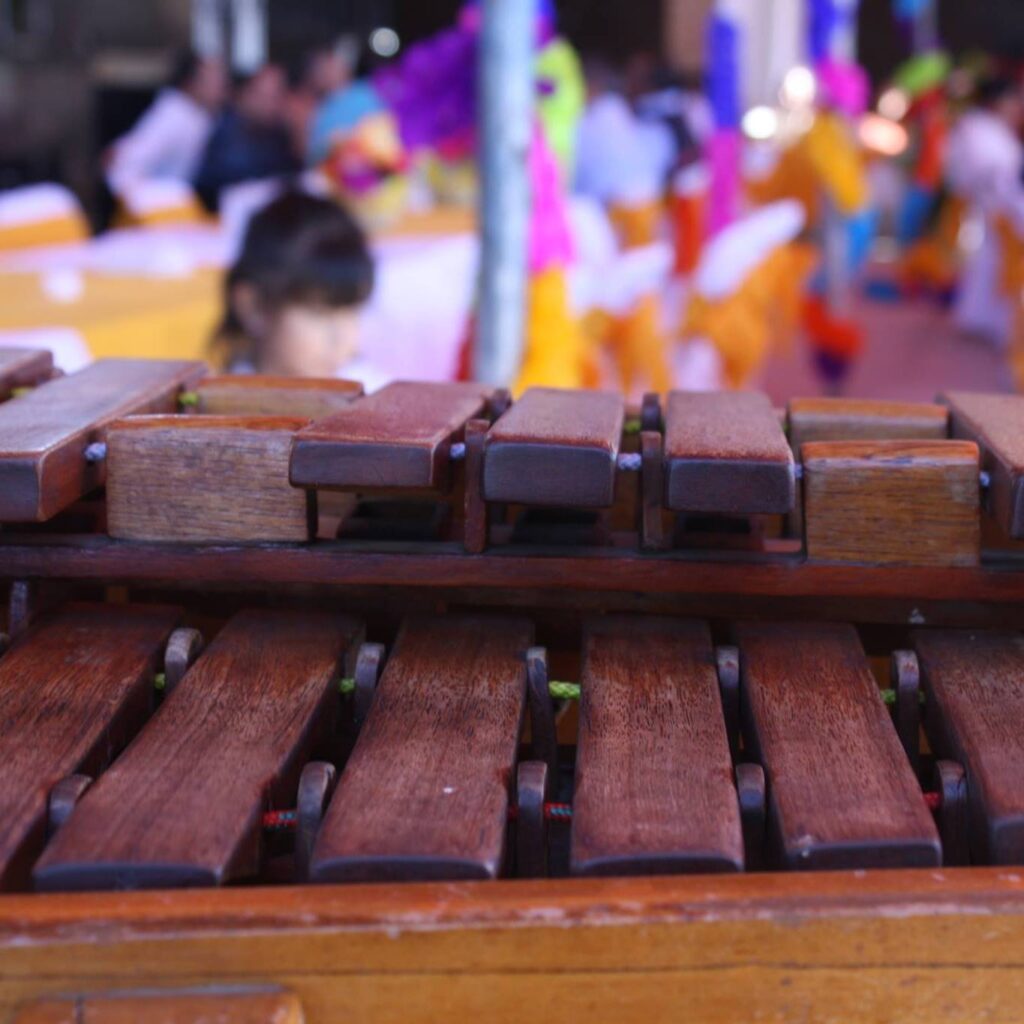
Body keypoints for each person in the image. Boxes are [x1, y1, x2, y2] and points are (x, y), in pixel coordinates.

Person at [213, 191, 376, 380]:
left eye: (352, 312)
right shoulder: (222, 396)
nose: (341, 339)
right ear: (253, 306)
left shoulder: (371, 387)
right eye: (319, 314)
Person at [106, 52, 228, 195]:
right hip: (161, 201)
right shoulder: (174, 114)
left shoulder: (204, 115)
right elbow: (126, 165)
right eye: (215, 79)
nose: (223, 86)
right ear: (190, 82)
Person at [193, 65, 302, 211]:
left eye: (276, 97)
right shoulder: (224, 133)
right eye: (263, 96)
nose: (269, 105)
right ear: (244, 94)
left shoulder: (278, 135)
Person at [306, 40, 384, 165]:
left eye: (329, 64)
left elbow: (383, 137)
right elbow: (313, 156)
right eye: (319, 66)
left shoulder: (368, 95)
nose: (323, 71)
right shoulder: (322, 107)